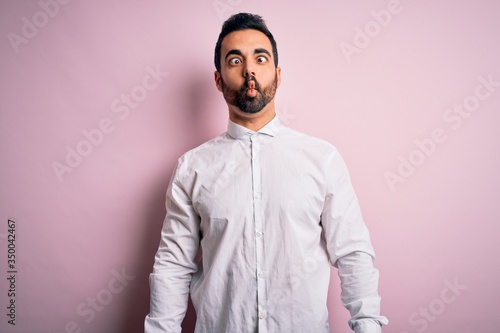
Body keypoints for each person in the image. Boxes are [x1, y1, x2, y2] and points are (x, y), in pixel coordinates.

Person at [145, 13, 388, 333]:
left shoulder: (321, 159)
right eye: (235, 60)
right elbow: (173, 267)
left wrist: (368, 327)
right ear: (218, 80)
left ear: (277, 73)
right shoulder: (192, 168)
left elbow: (353, 253)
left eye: (260, 58)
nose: (249, 69)